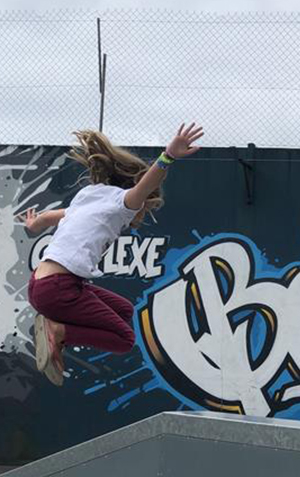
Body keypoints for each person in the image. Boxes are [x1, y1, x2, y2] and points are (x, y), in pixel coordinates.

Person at [19, 122, 204, 386]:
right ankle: (58, 330)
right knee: (124, 339)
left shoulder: (88, 196)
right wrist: (168, 156)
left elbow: (49, 217)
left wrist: (32, 225)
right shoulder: (122, 203)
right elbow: (146, 185)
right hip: (58, 291)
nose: (139, 213)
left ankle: (58, 330)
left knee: (124, 309)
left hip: (40, 284)